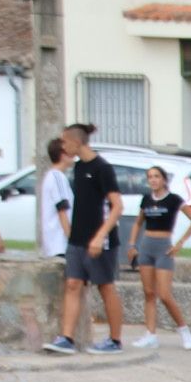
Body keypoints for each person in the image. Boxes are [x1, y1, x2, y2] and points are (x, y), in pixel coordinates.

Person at [41, 123, 126, 355]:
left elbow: (117, 206)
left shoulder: (103, 168)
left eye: (65, 141)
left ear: (76, 142)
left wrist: (100, 236)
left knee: (106, 287)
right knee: (72, 284)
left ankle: (115, 340)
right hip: (77, 239)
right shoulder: (78, 169)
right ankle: (66, 338)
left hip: (101, 240)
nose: (63, 145)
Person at [127, 165, 191, 350]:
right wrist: (132, 244)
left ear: (163, 179)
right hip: (146, 247)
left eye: (156, 176)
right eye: (150, 177)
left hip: (163, 248)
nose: (153, 180)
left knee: (165, 294)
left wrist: (180, 243)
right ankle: (150, 334)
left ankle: (184, 330)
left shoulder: (173, 200)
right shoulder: (146, 199)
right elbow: (138, 223)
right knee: (149, 293)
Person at [38, 138, 74, 259]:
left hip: (56, 244)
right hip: (59, 244)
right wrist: (71, 238)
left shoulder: (54, 176)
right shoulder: (57, 177)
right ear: (62, 155)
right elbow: (62, 209)